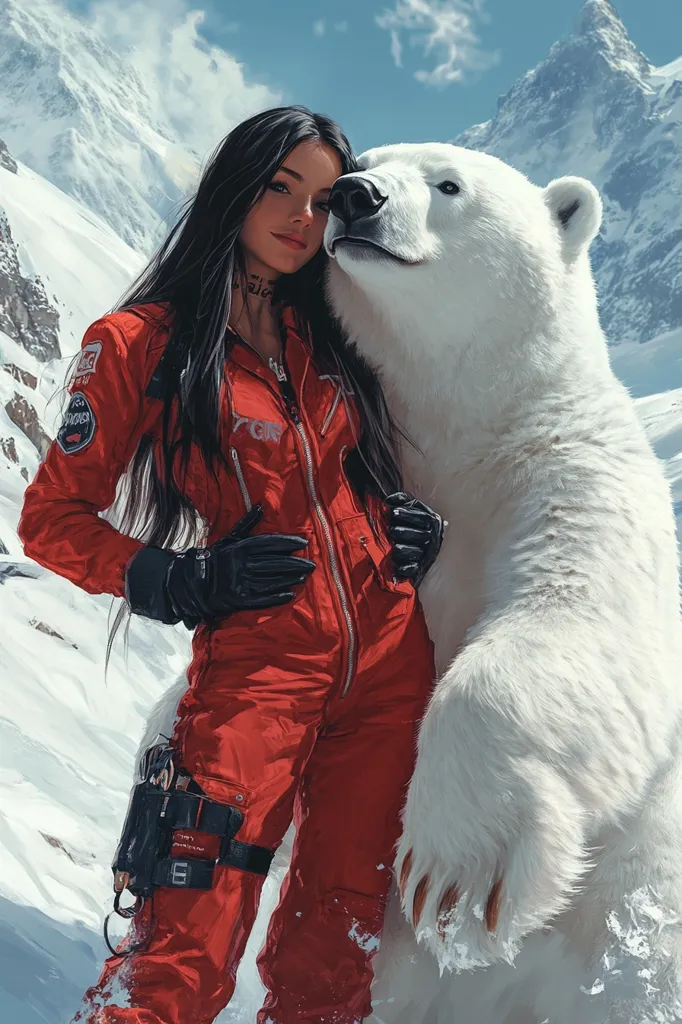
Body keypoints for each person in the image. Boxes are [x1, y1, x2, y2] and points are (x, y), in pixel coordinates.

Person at [18, 106, 442, 1024]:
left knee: (337, 958)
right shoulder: (139, 342)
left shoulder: (337, 329)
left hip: (392, 676)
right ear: (233, 190)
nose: (301, 217)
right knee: (178, 958)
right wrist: (177, 580)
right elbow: (49, 519)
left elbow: (369, 476)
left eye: (323, 199)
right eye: (279, 187)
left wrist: (413, 529)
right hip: (257, 679)